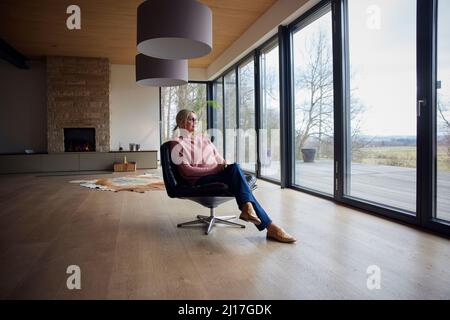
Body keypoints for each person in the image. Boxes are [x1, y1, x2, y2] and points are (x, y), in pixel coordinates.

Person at [170, 109, 296, 243]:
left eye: (196, 119)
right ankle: (268, 225)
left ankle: (249, 208)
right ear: (181, 122)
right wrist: (215, 169)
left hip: (217, 173)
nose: (195, 122)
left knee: (234, 167)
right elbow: (187, 172)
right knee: (238, 177)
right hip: (199, 180)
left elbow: (219, 158)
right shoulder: (176, 143)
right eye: (191, 119)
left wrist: (224, 164)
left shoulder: (203, 139)